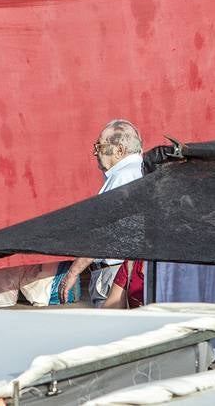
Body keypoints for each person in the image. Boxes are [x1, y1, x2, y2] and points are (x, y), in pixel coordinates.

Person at [61, 119, 144, 307]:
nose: (95, 152)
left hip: (114, 273)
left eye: (99, 145)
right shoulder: (136, 171)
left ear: (119, 150)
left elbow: (104, 235)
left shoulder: (123, 177)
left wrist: (74, 272)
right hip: (120, 271)